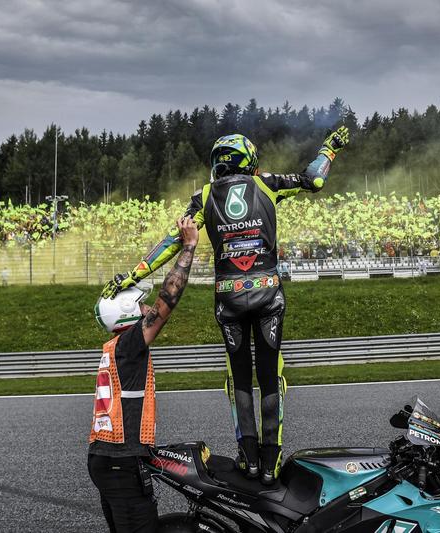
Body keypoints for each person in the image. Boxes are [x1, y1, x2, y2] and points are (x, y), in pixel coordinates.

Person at [101, 127, 350, 485]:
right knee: (270, 375)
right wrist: (329, 148)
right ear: (248, 160)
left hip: (228, 296)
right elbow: (315, 181)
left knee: (238, 377)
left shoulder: (203, 197)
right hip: (268, 292)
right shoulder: (266, 183)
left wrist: (130, 275)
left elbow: (171, 242)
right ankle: (270, 461)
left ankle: (247, 458)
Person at [88, 217, 198, 533]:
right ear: (125, 311)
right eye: (140, 304)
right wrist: (188, 247)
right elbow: (168, 299)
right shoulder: (129, 343)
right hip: (120, 462)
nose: (148, 307)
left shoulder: (114, 347)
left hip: (105, 458)